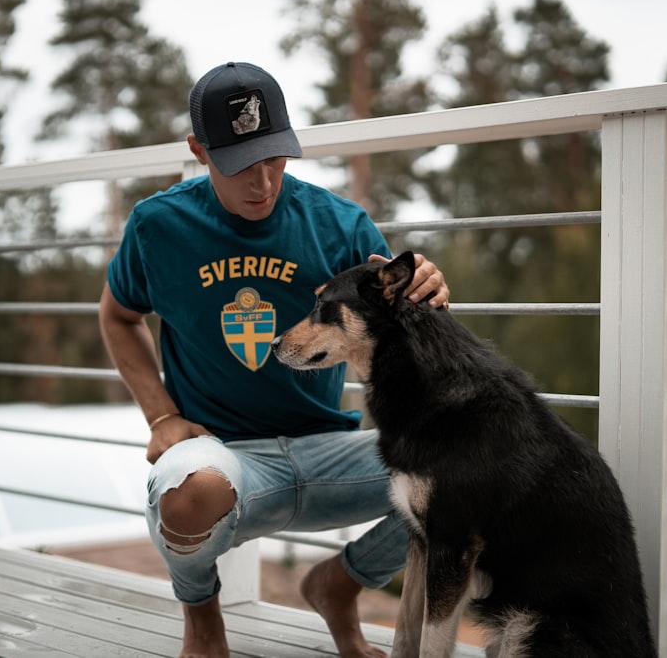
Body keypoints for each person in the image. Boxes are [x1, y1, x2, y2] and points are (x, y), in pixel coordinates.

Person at [99, 61, 449, 658]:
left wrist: (430, 288)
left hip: (330, 450)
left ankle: (341, 584)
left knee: (460, 469)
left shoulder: (339, 224)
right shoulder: (159, 226)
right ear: (198, 150)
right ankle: (203, 622)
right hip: (224, 456)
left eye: (275, 158)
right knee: (187, 492)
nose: (262, 183)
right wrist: (161, 417)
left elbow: (397, 313)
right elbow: (117, 315)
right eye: (240, 165)